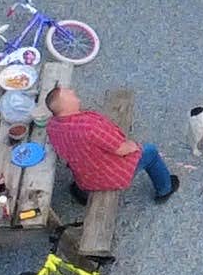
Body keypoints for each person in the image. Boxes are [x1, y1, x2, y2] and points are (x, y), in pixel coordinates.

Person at [41, 85, 176, 211]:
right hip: (105, 175)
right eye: (68, 94)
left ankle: (81, 192)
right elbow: (121, 149)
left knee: (84, 157)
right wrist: (134, 145)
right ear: (65, 106)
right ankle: (165, 189)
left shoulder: (52, 126)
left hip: (83, 174)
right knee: (150, 152)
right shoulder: (90, 129)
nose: (72, 92)